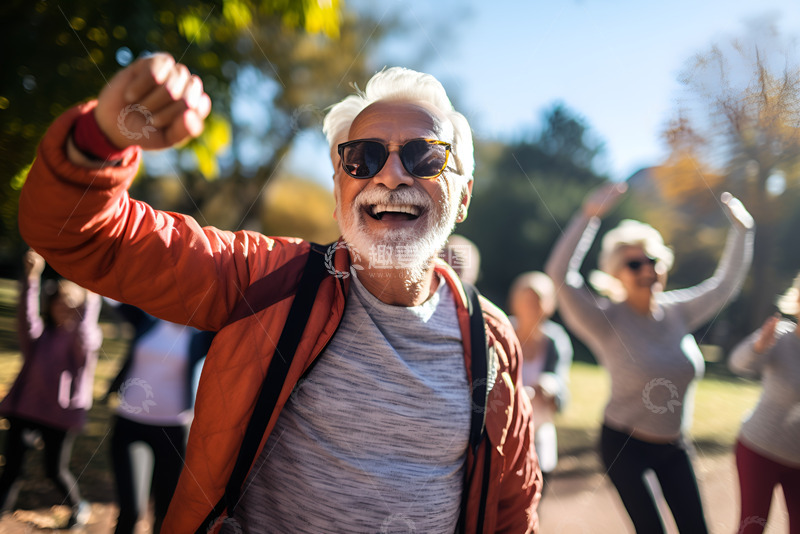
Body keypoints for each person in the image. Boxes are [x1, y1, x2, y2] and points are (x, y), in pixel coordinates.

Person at [18, 53, 541, 533]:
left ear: (464, 194)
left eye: (425, 156)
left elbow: (512, 506)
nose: (390, 174)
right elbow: (80, 235)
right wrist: (100, 137)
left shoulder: (491, 338)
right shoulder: (264, 280)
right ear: (339, 192)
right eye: (362, 156)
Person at [545, 183, 754, 534]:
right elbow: (559, 277)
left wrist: (744, 231)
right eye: (634, 263)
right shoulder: (604, 320)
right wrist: (588, 217)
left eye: (653, 261)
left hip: (675, 445)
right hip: (625, 446)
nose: (646, 269)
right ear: (616, 273)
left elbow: (725, 285)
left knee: (697, 529)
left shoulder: (679, 312)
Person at [0, 250, 101, 527]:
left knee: (54, 470)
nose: (63, 307)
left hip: (60, 415)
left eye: (71, 303)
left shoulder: (83, 339)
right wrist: (32, 277)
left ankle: (78, 505)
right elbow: (25, 315)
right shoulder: (41, 335)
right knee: (12, 469)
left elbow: (86, 334)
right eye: (59, 301)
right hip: (25, 408)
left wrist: (91, 297)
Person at [104, 302, 214, 534]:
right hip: (129, 426)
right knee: (131, 510)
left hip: (173, 432)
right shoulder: (147, 320)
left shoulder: (201, 336)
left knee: (165, 515)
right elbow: (112, 293)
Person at [728, 274, 800, 534]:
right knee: (752, 527)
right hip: (760, 449)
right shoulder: (780, 336)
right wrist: (758, 347)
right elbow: (738, 363)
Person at [508, 271, 573, 488]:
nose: (531, 307)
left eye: (537, 301)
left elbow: (561, 386)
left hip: (539, 431)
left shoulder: (556, 340)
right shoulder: (503, 331)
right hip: (505, 433)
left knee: (535, 495)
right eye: (526, 300)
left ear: (549, 305)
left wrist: (550, 385)